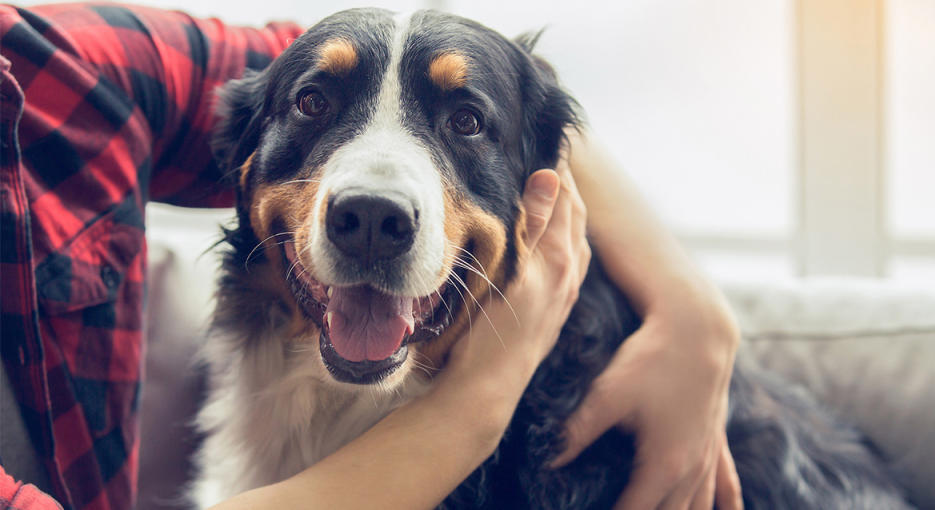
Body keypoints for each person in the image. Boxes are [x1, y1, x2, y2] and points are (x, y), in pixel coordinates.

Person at [0, 4, 741, 510]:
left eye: (465, 120)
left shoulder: (49, 64)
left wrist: (692, 311)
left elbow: (388, 45)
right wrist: (475, 407)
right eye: (317, 108)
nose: (373, 197)